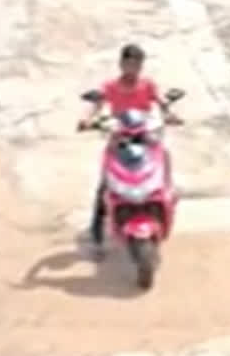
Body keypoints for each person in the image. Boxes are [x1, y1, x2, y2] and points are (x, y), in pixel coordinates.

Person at [78, 43, 182, 252]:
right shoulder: (110, 86)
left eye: (137, 64)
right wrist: (87, 120)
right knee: (105, 185)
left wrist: (170, 115)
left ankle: (167, 193)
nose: (133, 69)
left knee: (163, 157)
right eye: (129, 64)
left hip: (145, 134)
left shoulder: (147, 85)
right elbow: (96, 106)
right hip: (120, 137)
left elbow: (161, 102)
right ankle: (97, 233)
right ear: (121, 64)